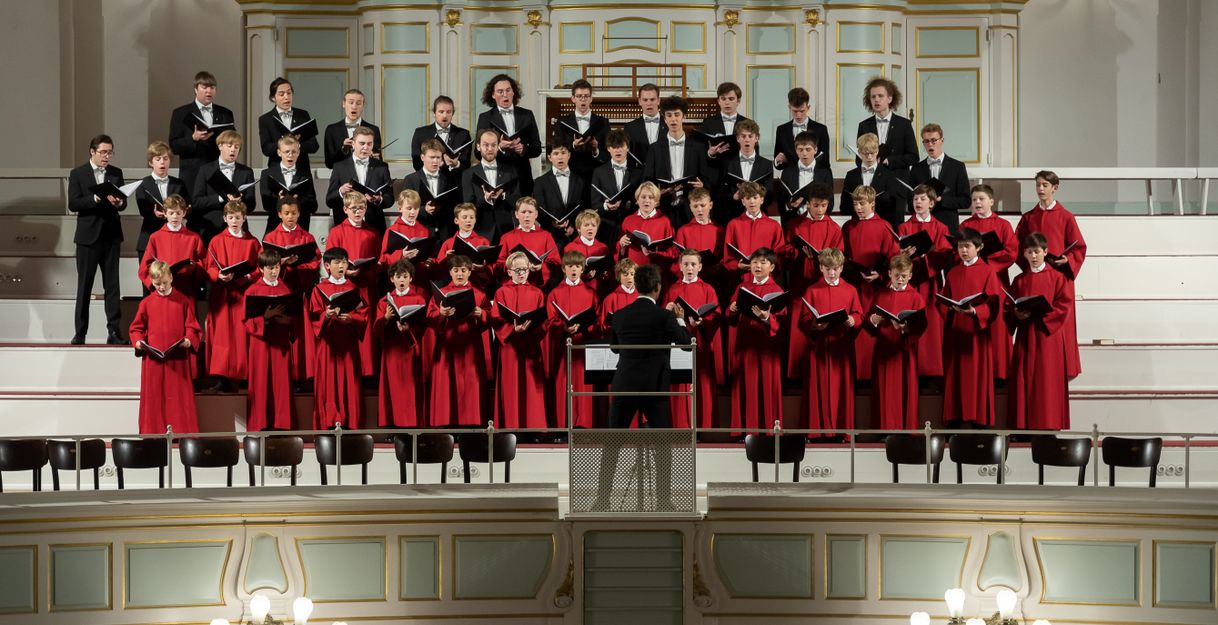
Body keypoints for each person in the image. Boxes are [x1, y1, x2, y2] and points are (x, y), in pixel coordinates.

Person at [594, 263, 691, 511]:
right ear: (658, 288)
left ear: (635, 286)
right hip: (655, 387)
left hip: (625, 384)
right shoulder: (665, 317)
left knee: (612, 443)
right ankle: (662, 501)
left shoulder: (621, 314)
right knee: (662, 446)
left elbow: (615, 347)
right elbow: (687, 344)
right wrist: (680, 320)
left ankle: (602, 500)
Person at [1014, 170, 1086, 379]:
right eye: (1038, 185)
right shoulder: (1028, 217)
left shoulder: (1066, 217)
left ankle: (1064, 365)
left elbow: (1078, 248)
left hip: (1059, 279)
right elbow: (1018, 247)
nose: (1040, 189)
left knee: (1060, 323)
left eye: (1045, 185)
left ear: (1055, 188)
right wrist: (1031, 266)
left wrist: (1067, 260)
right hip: (1036, 278)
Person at [1006, 232, 1072, 430]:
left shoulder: (1058, 278)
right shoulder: (1019, 280)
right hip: (1026, 334)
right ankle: (1023, 425)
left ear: (1045, 252)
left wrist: (1042, 316)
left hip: (1046, 336)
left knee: (1046, 381)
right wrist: (1017, 315)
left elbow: (1064, 306)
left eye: (1036, 252)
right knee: (1023, 378)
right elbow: (1011, 306)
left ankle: (1048, 425)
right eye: (1028, 252)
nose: (1033, 256)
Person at [793, 248, 862, 436]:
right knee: (818, 389)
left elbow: (858, 313)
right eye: (828, 269)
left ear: (841, 268)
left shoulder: (851, 290)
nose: (832, 273)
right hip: (820, 348)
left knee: (842, 389)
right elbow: (804, 319)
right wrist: (814, 325)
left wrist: (853, 320)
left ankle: (841, 432)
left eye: (836, 269)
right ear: (821, 268)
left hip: (841, 347)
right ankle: (816, 432)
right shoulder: (812, 290)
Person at [939, 228, 1002, 427]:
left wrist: (975, 312)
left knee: (976, 377)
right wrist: (948, 307)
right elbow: (943, 299)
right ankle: (955, 419)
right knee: (955, 376)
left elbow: (993, 303)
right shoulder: (953, 272)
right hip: (956, 330)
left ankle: (978, 421)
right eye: (960, 246)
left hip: (976, 333)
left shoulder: (988, 271)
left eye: (967, 246)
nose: (963, 251)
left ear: (979, 247)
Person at [67, 134, 127, 345]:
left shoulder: (116, 173)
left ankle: (113, 332)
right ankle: (80, 332)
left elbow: (123, 203)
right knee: (84, 286)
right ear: (92, 151)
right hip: (88, 237)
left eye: (110, 152)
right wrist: (95, 198)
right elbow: (73, 203)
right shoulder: (78, 174)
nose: (106, 156)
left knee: (113, 286)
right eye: (103, 152)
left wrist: (119, 202)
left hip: (110, 236)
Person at [129, 260, 201, 434]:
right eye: (157, 284)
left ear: (171, 277)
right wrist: (138, 342)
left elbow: (193, 327)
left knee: (178, 396)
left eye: (164, 283)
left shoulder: (183, 301)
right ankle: (153, 431)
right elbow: (136, 328)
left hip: (176, 358)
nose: (161, 287)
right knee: (155, 395)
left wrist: (189, 340)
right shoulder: (146, 303)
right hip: (154, 359)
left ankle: (181, 430)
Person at [781, 183, 842, 381]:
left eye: (823, 205)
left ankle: (820, 374)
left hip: (822, 286)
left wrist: (821, 258)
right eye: (815, 205)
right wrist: (798, 252)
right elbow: (785, 252)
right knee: (798, 329)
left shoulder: (833, 228)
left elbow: (840, 257)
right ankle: (796, 375)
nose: (819, 210)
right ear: (808, 204)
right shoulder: (796, 225)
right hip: (800, 284)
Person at [842, 185, 899, 380]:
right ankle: (856, 375)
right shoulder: (848, 227)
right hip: (854, 286)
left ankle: (871, 375)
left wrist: (881, 275)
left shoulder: (884, 226)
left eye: (862, 203)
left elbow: (894, 259)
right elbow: (844, 256)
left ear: (873, 203)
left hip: (876, 288)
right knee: (854, 328)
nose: (858, 207)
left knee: (872, 328)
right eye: (855, 203)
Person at [961, 184, 1017, 381]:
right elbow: (958, 252)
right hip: (971, 284)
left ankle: (1000, 374)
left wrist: (985, 265)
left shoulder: (1003, 225)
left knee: (998, 328)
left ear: (991, 201)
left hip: (996, 282)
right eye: (974, 199)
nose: (977, 203)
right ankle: (975, 374)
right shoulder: (965, 225)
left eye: (981, 199)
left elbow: (1011, 252)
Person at [726, 247, 786, 433]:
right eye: (754, 262)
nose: (758, 266)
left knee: (767, 387)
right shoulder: (742, 287)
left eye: (762, 262)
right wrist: (733, 310)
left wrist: (766, 318)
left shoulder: (777, 290)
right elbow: (730, 317)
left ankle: (768, 429)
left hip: (767, 347)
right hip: (745, 344)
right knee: (746, 386)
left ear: (772, 267)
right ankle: (744, 430)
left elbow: (782, 320)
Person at [262, 196, 321, 385]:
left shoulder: (307, 237)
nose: (290, 217)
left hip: (299, 291)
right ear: (279, 214)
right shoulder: (271, 237)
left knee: (301, 335)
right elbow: (262, 264)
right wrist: (281, 263)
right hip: (279, 293)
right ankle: (284, 376)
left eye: (294, 213)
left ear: (299, 214)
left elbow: (315, 262)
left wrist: (297, 266)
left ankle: (302, 376)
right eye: (286, 213)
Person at [427, 254, 490, 427]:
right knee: (446, 384)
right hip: (447, 344)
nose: (459, 274)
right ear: (450, 272)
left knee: (470, 384)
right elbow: (430, 317)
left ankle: (470, 424)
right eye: (456, 270)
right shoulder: (441, 294)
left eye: (463, 270)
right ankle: (446, 424)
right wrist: (441, 314)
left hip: (470, 345)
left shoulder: (479, 294)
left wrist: (481, 314)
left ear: (470, 272)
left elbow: (490, 317)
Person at [865, 253, 927, 430]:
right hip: (884, 349)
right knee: (884, 391)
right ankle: (884, 428)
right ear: (890, 273)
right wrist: (873, 321)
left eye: (904, 276)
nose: (900, 279)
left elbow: (921, 325)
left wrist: (905, 328)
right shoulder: (881, 294)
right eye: (896, 275)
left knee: (904, 389)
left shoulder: (916, 297)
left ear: (910, 275)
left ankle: (904, 429)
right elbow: (869, 321)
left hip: (904, 350)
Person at [205, 200, 262, 390]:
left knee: (241, 335)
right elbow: (210, 267)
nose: (234, 221)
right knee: (223, 336)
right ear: (224, 219)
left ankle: (245, 376)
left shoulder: (252, 242)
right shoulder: (217, 241)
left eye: (238, 217)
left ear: (244, 218)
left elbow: (259, 268)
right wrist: (219, 275)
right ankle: (222, 377)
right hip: (222, 295)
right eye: (230, 218)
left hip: (243, 294)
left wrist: (248, 276)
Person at [898, 184, 953, 380]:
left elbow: (944, 253)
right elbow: (897, 257)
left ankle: (932, 373)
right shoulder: (904, 227)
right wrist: (905, 256)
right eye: (915, 199)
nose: (918, 202)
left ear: (931, 203)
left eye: (922, 199)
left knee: (932, 325)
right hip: (910, 282)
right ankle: (910, 370)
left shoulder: (941, 227)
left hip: (931, 283)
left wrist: (925, 256)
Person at [662, 248, 722, 429]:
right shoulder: (673, 289)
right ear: (680, 266)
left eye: (693, 264)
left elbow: (716, 315)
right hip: (678, 344)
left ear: (700, 267)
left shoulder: (708, 289)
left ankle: (699, 426)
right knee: (679, 383)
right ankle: (679, 425)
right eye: (686, 264)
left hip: (700, 341)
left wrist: (702, 322)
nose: (689, 268)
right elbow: (664, 320)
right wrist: (668, 312)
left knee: (699, 382)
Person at [310, 246, 367, 429]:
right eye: (337, 262)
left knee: (350, 382)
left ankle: (350, 421)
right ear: (327, 266)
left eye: (344, 262)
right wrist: (325, 316)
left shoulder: (354, 288)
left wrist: (352, 318)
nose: (341, 265)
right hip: (328, 345)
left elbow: (363, 313)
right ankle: (329, 421)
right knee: (328, 383)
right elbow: (313, 316)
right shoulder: (319, 290)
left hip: (348, 342)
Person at [326, 192, 382, 377]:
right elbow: (330, 261)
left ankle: (367, 372)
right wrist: (345, 271)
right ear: (345, 209)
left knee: (366, 331)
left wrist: (367, 269)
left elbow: (378, 262)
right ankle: (349, 371)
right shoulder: (337, 232)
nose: (358, 212)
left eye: (362, 208)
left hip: (365, 286)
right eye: (354, 208)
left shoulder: (372, 233)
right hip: (345, 288)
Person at [491, 251, 548, 430]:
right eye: (517, 270)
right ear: (509, 271)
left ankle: (533, 428)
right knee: (511, 388)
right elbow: (495, 319)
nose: (522, 273)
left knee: (531, 389)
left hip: (530, 345)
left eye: (525, 269)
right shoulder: (501, 292)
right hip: (510, 346)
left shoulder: (537, 293)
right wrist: (512, 329)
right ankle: (511, 427)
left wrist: (533, 327)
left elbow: (544, 322)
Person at [244, 249, 297, 431]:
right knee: (261, 383)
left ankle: (281, 425)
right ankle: (262, 425)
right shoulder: (253, 290)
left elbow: (294, 317)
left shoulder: (285, 288)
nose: (274, 272)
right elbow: (245, 321)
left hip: (280, 342)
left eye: (276, 267)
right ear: (260, 269)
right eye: (269, 268)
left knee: (281, 384)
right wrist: (265, 318)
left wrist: (288, 321)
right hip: (261, 344)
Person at [547, 251, 599, 428]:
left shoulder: (591, 293)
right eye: (569, 266)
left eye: (577, 266)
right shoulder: (555, 293)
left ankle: (583, 426)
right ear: (563, 269)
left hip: (583, 348)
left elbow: (597, 319)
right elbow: (550, 320)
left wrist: (583, 327)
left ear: (583, 268)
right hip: (562, 347)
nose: (574, 269)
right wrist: (563, 327)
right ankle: (563, 427)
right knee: (563, 385)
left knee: (583, 386)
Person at [376, 258, 430, 428]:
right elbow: (376, 329)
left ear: (411, 278)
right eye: (398, 276)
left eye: (405, 276)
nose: (401, 280)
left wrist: (408, 330)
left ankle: (412, 425)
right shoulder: (384, 301)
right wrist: (385, 319)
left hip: (410, 350)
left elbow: (424, 326)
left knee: (410, 389)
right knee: (393, 388)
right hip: (392, 350)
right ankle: (393, 426)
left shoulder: (419, 299)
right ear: (392, 279)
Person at [644, 96, 713, 226]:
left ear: (684, 117)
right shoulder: (655, 148)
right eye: (669, 115)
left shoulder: (698, 147)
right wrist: (657, 191)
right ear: (664, 118)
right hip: (663, 205)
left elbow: (706, 180)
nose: (673, 119)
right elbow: (648, 180)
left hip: (690, 205)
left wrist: (702, 186)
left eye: (677, 114)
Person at [476, 74, 542, 197]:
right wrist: (498, 147)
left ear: (513, 92)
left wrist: (523, 149)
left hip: (523, 177)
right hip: (497, 178)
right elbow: (477, 152)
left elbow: (537, 148)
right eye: (500, 91)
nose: (505, 95)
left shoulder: (527, 115)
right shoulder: (485, 118)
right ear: (493, 95)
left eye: (508, 90)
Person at [168, 71, 235, 193]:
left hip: (217, 172)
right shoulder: (180, 113)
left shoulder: (225, 114)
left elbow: (235, 141)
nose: (209, 91)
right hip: (192, 173)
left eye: (212, 87)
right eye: (204, 87)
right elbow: (174, 146)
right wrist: (193, 138)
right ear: (195, 89)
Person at [191, 130, 256, 244]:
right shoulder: (206, 170)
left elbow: (251, 204)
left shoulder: (246, 172)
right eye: (229, 146)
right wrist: (221, 198)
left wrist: (240, 201)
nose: (233, 150)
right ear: (220, 146)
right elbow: (197, 202)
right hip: (212, 227)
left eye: (237, 147)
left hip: (238, 228)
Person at [326, 126, 393, 231]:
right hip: (346, 229)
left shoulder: (381, 167)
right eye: (362, 143)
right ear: (353, 144)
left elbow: (390, 198)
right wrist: (340, 192)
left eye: (369, 144)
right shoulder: (339, 167)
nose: (366, 147)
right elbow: (329, 200)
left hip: (374, 227)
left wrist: (379, 200)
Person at [552, 79, 609, 202]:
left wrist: (596, 150)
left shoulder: (602, 122)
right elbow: (557, 147)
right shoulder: (562, 122)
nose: (583, 99)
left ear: (591, 98)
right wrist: (573, 145)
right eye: (579, 96)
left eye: (586, 96)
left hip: (595, 175)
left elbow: (609, 153)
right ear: (573, 98)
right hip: (571, 174)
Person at [138, 194, 205, 299]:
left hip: (186, 290)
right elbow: (145, 267)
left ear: (184, 213)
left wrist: (194, 267)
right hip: (163, 291)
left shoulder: (194, 238)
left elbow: (203, 262)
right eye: (171, 213)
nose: (175, 216)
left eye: (178, 213)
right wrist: (158, 284)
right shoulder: (155, 237)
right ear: (165, 213)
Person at [134, 141, 189, 265]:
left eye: (165, 158)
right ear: (151, 162)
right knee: (149, 282)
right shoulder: (143, 184)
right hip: (149, 237)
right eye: (158, 159)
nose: (162, 162)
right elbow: (143, 210)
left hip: (174, 240)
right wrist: (153, 214)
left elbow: (187, 205)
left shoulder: (179, 184)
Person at [910, 123, 969, 235]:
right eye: (926, 141)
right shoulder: (916, 169)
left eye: (933, 140)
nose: (930, 144)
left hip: (948, 224)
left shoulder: (957, 167)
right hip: (922, 226)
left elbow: (966, 201)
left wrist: (942, 200)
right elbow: (909, 202)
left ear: (942, 140)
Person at [462, 127, 520, 241]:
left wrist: (503, 196)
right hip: (480, 229)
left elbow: (518, 199)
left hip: (506, 228)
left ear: (498, 146)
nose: (490, 149)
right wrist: (485, 199)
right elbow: (468, 204)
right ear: (478, 146)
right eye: (486, 145)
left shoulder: (510, 171)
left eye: (494, 145)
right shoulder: (468, 174)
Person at [401, 139, 461, 240]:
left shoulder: (450, 178)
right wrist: (424, 210)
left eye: (438, 157)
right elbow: (405, 209)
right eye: (432, 157)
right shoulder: (411, 179)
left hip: (445, 233)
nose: (435, 161)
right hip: (420, 232)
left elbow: (455, 205)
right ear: (422, 157)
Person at [716, 119, 773, 223]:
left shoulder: (767, 165)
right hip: (733, 216)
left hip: (758, 218)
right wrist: (733, 197)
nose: (747, 140)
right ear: (738, 138)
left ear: (757, 138)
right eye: (743, 136)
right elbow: (720, 193)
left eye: (750, 136)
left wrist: (756, 197)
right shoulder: (727, 163)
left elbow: (770, 194)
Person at [856, 77, 918, 174]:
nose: (876, 100)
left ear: (890, 98)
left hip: (897, 180)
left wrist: (889, 161)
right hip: (873, 180)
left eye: (880, 96)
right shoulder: (864, 125)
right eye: (873, 96)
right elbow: (858, 159)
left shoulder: (904, 124)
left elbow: (913, 157)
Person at [590, 129, 642, 244]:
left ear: (627, 147)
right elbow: (594, 204)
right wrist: (606, 206)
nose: (618, 150)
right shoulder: (599, 172)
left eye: (621, 146)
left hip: (632, 226)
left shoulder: (638, 172)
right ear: (608, 149)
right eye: (614, 146)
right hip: (606, 227)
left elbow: (641, 201)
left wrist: (627, 204)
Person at [258, 77, 319, 175]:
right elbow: (266, 149)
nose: (286, 97)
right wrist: (284, 142)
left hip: (301, 170)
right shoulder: (265, 119)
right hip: (277, 171)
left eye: (289, 93)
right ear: (273, 98)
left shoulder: (303, 115)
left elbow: (314, 146)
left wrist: (297, 144)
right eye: (281, 94)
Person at [841, 133, 903, 229]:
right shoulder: (851, 175)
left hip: (881, 225)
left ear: (877, 151)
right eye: (866, 154)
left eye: (872, 153)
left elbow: (894, 207)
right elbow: (844, 206)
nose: (869, 157)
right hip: (857, 225)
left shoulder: (888, 175)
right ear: (859, 152)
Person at [723, 181, 784, 278]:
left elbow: (779, 255)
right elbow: (728, 256)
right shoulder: (733, 224)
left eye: (755, 198)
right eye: (748, 198)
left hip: (766, 278)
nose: (752, 202)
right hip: (741, 277)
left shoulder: (774, 226)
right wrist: (737, 265)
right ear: (743, 201)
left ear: (762, 200)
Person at [496, 196, 560, 288]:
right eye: (523, 212)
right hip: (513, 287)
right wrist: (516, 267)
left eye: (530, 212)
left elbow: (556, 262)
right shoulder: (507, 237)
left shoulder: (546, 236)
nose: (527, 215)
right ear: (516, 214)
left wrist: (541, 267)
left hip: (539, 286)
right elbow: (499, 265)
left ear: (536, 214)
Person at [261, 135, 319, 233]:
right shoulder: (268, 174)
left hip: (300, 227)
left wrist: (296, 200)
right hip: (275, 226)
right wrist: (280, 200)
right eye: (287, 151)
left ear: (299, 153)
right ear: (279, 152)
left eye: (294, 152)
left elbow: (313, 206)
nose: (290, 155)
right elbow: (266, 205)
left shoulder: (305, 175)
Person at [776, 131, 833, 225]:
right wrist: (790, 205)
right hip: (792, 223)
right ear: (796, 150)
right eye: (800, 150)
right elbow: (781, 205)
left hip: (817, 223)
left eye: (808, 149)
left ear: (815, 150)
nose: (804, 153)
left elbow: (830, 204)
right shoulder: (787, 172)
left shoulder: (825, 172)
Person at [434, 203, 495, 291]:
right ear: (456, 220)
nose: (468, 220)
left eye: (471, 217)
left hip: (476, 288)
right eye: (464, 217)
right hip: (452, 288)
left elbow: (491, 271)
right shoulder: (448, 243)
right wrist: (446, 259)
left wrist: (481, 269)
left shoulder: (483, 242)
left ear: (475, 220)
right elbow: (438, 273)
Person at [380, 189, 435, 285]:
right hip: (399, 279)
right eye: (409, 208)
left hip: (419, 278)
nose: (413, 212)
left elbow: (429, 255)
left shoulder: (424, 230)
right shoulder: (392, 230)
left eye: (416, 208)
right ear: (400, 208)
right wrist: (401, 255)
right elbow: (383, 258)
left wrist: (430, 262)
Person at [617, 182, 677, 269]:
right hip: (632, 272)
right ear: (637, 200)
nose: (647, 200)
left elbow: (672, 252)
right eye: (643, 197)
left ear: (656, 201)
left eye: (651, 197)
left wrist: (656, 254)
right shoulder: (628, 220)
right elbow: (620, 253)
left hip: (655, 271)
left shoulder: (664, 221)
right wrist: (621, 245)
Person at [533, 144, 585, 244]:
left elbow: (584, 206)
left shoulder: (580, 181)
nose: (560, 157)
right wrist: (552, 223)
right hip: (551, 236)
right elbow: (539, 209)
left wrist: (574, 226)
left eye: (563, 153)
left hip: (575, 235)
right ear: (549, 157)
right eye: (556, 153)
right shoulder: (540, 182)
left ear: (569, 155)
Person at [673, 188, 725, 286]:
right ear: (690, 207)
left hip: (714, 280)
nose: (699, 209)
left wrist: (718, 267)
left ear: (710, 205)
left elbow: (725, 256)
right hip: (690, 281)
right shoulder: (683, 231)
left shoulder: (720, 230)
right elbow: (677, 259)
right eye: (695, 206)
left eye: (703, 205)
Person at [774, 87, 831, 175]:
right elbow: (779, 164)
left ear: (808, 107)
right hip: (790, 179)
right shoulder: (781, 130)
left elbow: (825, 160)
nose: (798, 115)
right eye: (795, 111)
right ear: (789, 107)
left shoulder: (821, 129)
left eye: (802, 111)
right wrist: (778, 161)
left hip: (815, 178)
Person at [411, 95, 472, 176]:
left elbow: (466, 165)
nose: (445, 115)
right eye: (441, 111)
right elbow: (417, 163)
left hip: (455, 183)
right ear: (434, 113)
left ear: (452, 113)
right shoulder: (420, 133)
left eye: (448, 112)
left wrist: (456, 164)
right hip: (428, 181)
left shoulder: (463, 134)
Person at [323, 88, 382, 169]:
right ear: (343, 104)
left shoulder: (374, 130)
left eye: (358, 103)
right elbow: (329, 164)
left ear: (363, 105)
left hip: (367, 178)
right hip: (342, 179)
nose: (354, 107)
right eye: (351, 102)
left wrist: (375, 158)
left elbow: (379, 161)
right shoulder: (332, 130)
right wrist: (343, 150)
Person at [564, 210, 613, 295]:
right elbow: (565, 274)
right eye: (586, 225)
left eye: (594, 225)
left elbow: (609, 268)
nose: (590, 228)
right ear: (578, 228)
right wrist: (584, 276)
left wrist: (607, 274)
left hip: (599, 291)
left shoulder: (603, 248)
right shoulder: (570, 248)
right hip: (577, 292)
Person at [700, 82, 749, 163]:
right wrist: (710, 153)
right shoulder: (708, 123)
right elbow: (701, 151)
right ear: (719, 101)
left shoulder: (748, 123)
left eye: (731, 99)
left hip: (740, 170)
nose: (727, 102)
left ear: (738, 101)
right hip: (716, 169)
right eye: (723, 99)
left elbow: (755, 151)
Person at [622, 83, 663, 167]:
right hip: (639, 177)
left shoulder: (669, 125)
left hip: (664, 176)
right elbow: (627, 157)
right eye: (645, 100)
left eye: (652, 99)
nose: (649, 103)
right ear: (640, 101)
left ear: (658, 100)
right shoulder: (630, 127)